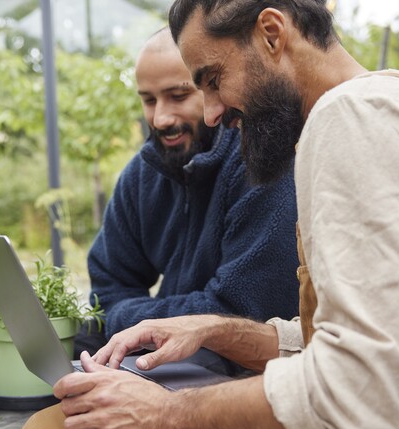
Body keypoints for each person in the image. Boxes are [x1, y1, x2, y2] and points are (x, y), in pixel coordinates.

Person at [18, 1, 399, 429]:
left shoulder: (354, 119)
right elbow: (396, 338)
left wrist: (165, 413)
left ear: (272, 33)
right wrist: (217, 329)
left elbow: (365, 391)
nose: (210, 114)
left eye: (212, 79)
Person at [74, 27, 298, 376]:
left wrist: (140, 321)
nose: (161, 118)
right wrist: (148, 323)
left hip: (250, 375)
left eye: (178, 96)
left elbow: (237, 314)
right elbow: (108, 290)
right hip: (174, 365)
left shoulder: (263, 164)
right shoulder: (143, 172)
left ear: (214, 91)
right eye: (149, 100)